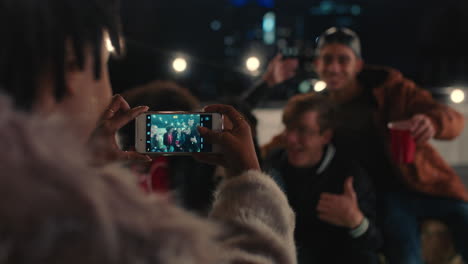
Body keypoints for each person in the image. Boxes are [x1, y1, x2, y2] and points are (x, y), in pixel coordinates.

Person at [0, 1, 296, 263]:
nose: (108, 89)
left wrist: (87, 168)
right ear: (68, 71)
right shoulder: (99, 236)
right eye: (103, 64)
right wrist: (249, 183)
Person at [260, 27, 468, 264]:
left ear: (358, 65)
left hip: (425, 182)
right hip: (382, 196)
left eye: (343, 59)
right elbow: (290, 139)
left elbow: (452, 119)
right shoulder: (322, 108)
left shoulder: (392, 90)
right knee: (402, 249)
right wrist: (265, 85)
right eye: (327, 59)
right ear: (317, 64)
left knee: (463, 218)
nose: (334, 67)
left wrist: (432, 122)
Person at [264, 93, 382, 263]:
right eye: (288, 128)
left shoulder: (349, 175)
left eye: (303, 130)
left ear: (325, 136)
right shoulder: (273, 164)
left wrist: (355, 220)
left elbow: (375, 243)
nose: (290, 139)